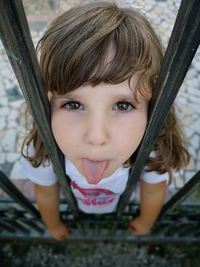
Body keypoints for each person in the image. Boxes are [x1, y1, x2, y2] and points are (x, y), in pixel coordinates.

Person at [21, 1, 189, 241]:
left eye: (123, 105)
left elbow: (153, 191)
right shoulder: (43, 151)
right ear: (48, 104)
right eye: (73, 104)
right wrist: (54, 226)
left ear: (152, 107)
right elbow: (46, 194)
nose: (96, 137)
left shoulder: (153, 151)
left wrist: (144, 221)